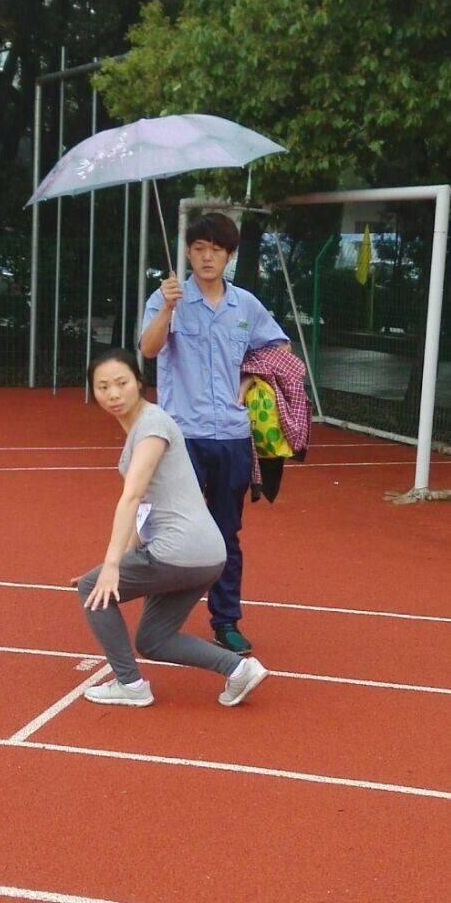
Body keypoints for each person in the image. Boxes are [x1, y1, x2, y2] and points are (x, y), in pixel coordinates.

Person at [73, 348, 269, 708]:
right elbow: (146, 506)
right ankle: (239, 670)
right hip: (206, 556)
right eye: (103, 387)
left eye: (121, 383)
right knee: (153, 639)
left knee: (91, 590)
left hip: (178, 550)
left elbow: (132, 497)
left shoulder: (152, 426)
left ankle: (130, 685)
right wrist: (114, 564)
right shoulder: (143, 429)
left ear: (139, 383)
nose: (113, 394)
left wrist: (111, 566)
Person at [140, 212, 289, 655]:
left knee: (226, 533)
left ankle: (226, 621)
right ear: (188, 252)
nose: (207, 257)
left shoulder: (246, 305)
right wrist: (168, 308)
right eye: (200, 248)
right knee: (172, 530)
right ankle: (160, 621)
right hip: (182, 436)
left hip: (232, 437)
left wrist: (250, 376)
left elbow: (278, 347)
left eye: (217, 250)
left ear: (230, 256)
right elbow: (148, 349)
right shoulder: (167, 298)